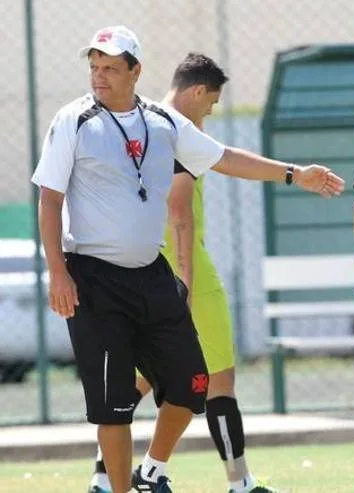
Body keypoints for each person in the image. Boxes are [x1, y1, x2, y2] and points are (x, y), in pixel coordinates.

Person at [32, 26, 344, 493]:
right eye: (95, 68)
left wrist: (295, 174)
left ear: (136, 71)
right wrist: (57, 271)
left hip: (152, 274)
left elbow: (224, 157)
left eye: (111, 68)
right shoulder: (72, 121)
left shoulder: (161, 120)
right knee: (112, 403)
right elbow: (50, 199)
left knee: (193, 384)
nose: (99, 77)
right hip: (93, 276)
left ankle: (150, 470)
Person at [86, 53, 279, 493]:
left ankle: (106, 477)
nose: (210, 111)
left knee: (146, 375)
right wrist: (188, 278)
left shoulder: (141, 123)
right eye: (211, 102)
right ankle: (237, 483)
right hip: (184, 267)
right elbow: (181, 207)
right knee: (217, 378)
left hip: (142, 266)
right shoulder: (177, 131)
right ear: (196, 91)